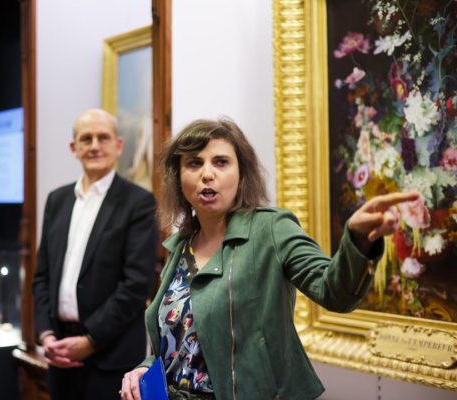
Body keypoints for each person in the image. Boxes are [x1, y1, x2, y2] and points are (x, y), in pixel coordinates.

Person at [120, 118, 420, 400]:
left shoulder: (271, 229)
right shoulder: (179, 247)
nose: (207, 174)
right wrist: (145, 368)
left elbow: (334, 291)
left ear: (242, 174)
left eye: (221, 162)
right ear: (178, 178)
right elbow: (179, 340)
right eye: (194, 163)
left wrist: (357, 240)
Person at [33, 108, 159, 399]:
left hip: (110, 358)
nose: (94, 146)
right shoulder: (57, 200)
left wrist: (90, 339)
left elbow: (136, 284)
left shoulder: (139, 202)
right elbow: (42, 276)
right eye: (86, 138)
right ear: (73, 147)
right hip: (60, 354)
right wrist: (46, 334)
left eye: (103, 138)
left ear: (118, 145)